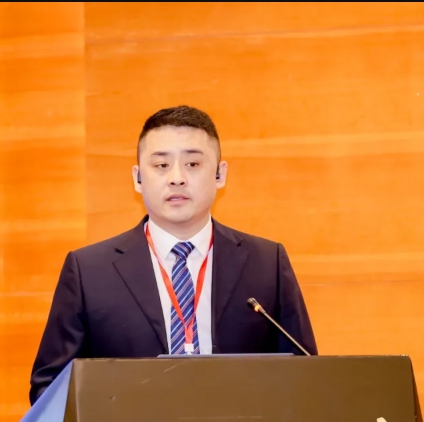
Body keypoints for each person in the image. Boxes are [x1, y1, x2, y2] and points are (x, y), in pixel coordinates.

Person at [28, 105, 318, 405]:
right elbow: (48, 389)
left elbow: (306, 375)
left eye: (192, 164)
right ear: (138, 178)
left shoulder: (266, 263)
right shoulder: (89, 272)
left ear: (220, 174)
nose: (177, 178)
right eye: (161, 165)